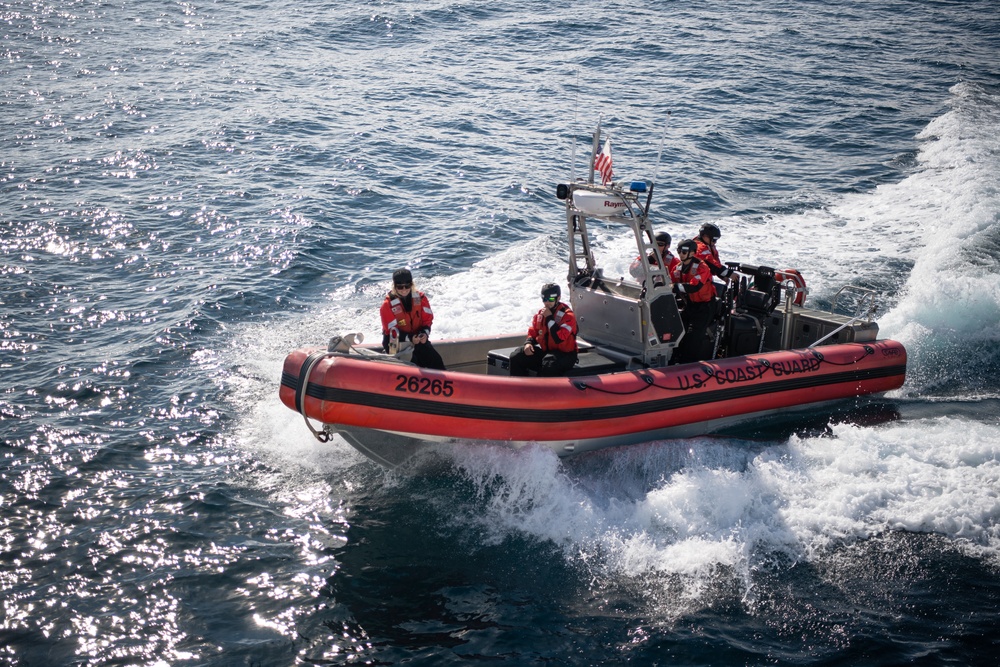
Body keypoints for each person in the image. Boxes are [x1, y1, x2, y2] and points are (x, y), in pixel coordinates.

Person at [380, 268, 446, 370]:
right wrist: (410, 338)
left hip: (418, 339)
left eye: (407, 286)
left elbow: (427, 319)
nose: (404, 289)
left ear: (412, 285)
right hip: (397, 343)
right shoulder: (387, 305)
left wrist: (424, 333)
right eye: (400, 287)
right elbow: (391, 331)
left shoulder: (421, 298)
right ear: (394, 287)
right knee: (413, 365)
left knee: (436, 361)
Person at [508, 283, 579, 377]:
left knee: (549, 363)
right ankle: (519, 387)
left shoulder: (568, 316)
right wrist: (528, 343)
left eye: (550, 299)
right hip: (548, 352)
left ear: (558, 298)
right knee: (517, 355)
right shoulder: (541, 314)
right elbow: (534, 331)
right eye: (544, 299)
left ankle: (540, 390)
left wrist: (549, 317)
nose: (547, 303)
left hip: (566, 355)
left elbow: (559, 338)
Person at [670, 239, 715, 364]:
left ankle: (689, 364)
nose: (681, 254)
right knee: (678, 331)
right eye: (679, 251)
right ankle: (673, 359)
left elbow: (694, 286)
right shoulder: (677, 268)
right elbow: (669, 281)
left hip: (705, 307)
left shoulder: (702, 267)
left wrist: (674, 286)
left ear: (693, 252)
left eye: (684, 252)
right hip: (689, 305)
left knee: (693, 336)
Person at [692, 223, 735, 287]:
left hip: (705, 280)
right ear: (705, 236)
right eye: (714, 240)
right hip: (697, 283)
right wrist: (729, 274)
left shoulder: (710, 246)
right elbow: (711, 263)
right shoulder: (700, 248)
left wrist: (723, 276)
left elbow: (716, 264)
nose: (715, 242)